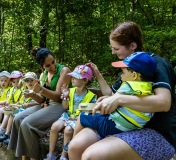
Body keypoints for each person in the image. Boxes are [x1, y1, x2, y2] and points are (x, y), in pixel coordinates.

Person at [68, 21, 176, 160]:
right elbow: (111, 95)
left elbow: (164, 102)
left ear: (132, 45)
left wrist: (119, 100)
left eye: (116, 48)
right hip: (121, 123)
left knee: (91, 156)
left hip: (156, 131)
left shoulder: (155, 63)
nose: (113, 52)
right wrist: (99, 77)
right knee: (75, 147)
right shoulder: (127, 69)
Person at [73, 52, 157, 140]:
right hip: (134, 126)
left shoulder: (128, 85)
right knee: (87, 108)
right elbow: (118, 100)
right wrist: (108, 98)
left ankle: (72, 142)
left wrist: (101, 103)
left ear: (134, 75)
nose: (121, 75)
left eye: (123, 72)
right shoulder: (149, 87)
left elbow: (110, 105)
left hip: (115, 126)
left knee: (83, 115)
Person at [8, 47, 71, 160]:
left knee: (27, 124)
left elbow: (57, 96)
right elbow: (42, 100)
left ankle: (34, 157)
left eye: (53, 62)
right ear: (42, 66)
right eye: (47, 66)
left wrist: (41, 89)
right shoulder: (43, 75)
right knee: (18, 118)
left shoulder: (64, 71)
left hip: (62, 105)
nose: (52, 66)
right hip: (48, 104)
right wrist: (32, 95)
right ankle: (24, 156)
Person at [44, 65, 97, 160]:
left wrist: (77, 118)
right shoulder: (70, 91)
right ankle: (51, 153)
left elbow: (90, 113)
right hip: (68, 115)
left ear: (85, 80)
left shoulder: (91, 96)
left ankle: (64, 156)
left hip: (79, 120)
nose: (72, 79)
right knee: (54, 127)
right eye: (72, 77)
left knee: (68, 130)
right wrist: (65, 96)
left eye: (75, 77)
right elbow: (65, 106)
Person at [0, 72, 41, 145]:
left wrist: (28, 104)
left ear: (36, 81)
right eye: (27, 81)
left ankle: (11, 137)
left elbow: (40, 101)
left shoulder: (38, 90)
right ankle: (7, 133)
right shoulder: (25, 90)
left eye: (31, 80)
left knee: (15, 116)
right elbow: (20, 101)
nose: (29, 82)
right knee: (11, 113)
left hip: (32, 109)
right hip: (23, 108)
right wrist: (16, 105)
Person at [0, 70, 24, 136]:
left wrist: (3, 104)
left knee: (6, 110)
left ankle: (2, 128)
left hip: (17, 107)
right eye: (14, 82)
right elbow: (8, 100)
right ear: (11, 82)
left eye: (18, 81)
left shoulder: (22, 89)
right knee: (0, 110)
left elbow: (20, 102)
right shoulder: (12, 89)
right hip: (10, 105)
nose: (16, 83)